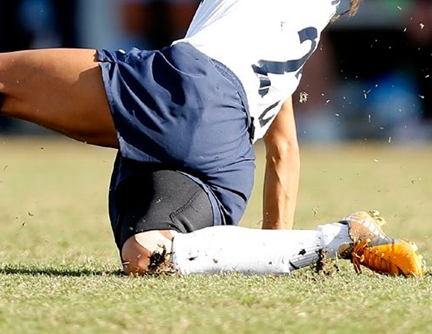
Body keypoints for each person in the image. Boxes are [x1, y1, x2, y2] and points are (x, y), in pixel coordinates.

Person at [0, 0, 425, 277]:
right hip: (226, 156)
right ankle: (338, 237)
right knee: (147, 256)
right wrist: (272, 248)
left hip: (186, 89)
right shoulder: (300, 26)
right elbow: (283, 152)